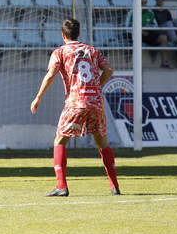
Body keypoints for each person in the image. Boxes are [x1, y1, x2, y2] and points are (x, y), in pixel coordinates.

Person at [30, 18, 120, 197]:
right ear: (79, 34)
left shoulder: (60, 52)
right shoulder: (92, 50)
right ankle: (114, 186)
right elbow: (109, 70)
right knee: (102, 142)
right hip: (96, 101)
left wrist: (38, 97)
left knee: (60, 140)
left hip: (75, 101)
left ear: (63, 35)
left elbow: (50, 75)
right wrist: (96, 86)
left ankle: (61, 186)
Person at [127, 0, 170, 68]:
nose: (143, 5)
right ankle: (134, 64)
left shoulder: (150, 12)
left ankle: (164, 62)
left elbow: (155, 26)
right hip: (136, 35)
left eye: (145, 3)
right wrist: (140, 30)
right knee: (135, 39)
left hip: (148, 34)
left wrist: (149, 26)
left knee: (163, 38)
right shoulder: (131, 13)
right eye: (141, 3)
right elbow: (127, 27)